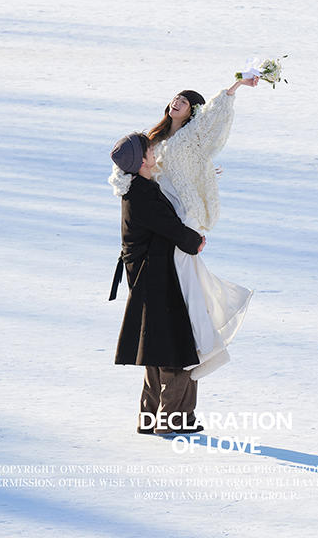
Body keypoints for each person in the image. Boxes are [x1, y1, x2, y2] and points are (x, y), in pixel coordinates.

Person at [139, 77, 259, 379]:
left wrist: (235, 88)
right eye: (176, 97)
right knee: (188, 278)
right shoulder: (155, 137)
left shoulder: (192, 135)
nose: (177, 101)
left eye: (185, 101)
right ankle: (209, 347)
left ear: (192, 111)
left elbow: (213, 117)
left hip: (185, 212)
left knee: (186, 277)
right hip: (166, 212)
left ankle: (205, 348)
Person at [108, 132, 206, 434]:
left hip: (150, 277)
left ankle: (149, 417)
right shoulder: (142, 194)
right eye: (149, 150)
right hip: (155, 279)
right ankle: (172, 419)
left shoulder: (138, 189)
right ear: (141, 161)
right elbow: (170, 226)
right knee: (177, 348)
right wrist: (195, 241)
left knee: (156, 348)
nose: (154, 152)